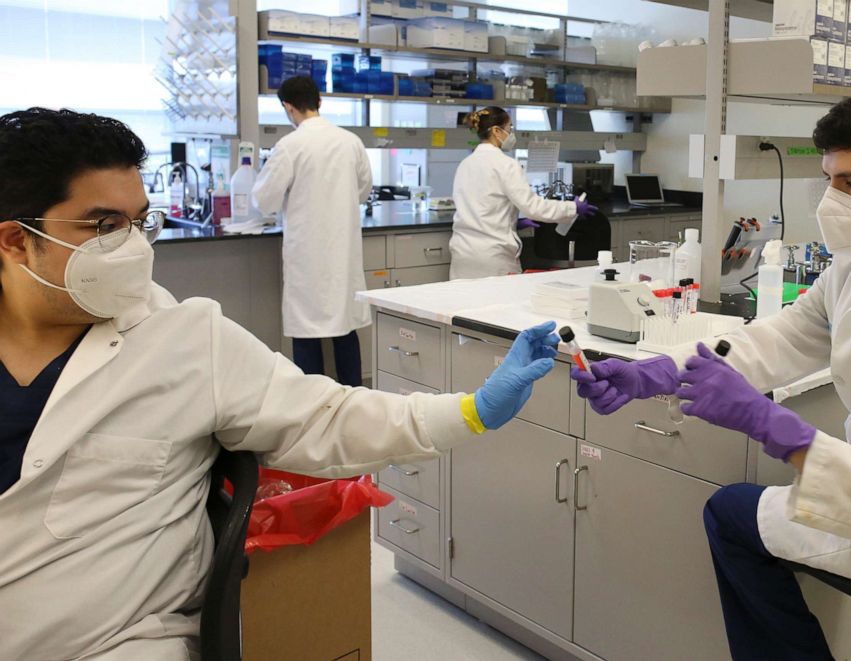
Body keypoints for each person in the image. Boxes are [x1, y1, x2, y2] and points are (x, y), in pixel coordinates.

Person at [0, 107, 559, 661]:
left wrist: (473, 409)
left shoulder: (186, 339)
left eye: (139, 221)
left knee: (331, 339)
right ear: (16, 241)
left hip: (112, 646)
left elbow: (327, 416)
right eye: (103, 227)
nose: (134, 247)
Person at [572, 87, 851, 660]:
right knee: (741, 508)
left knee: (730, 514)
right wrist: (661, 372)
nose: (831, 200)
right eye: (828, 179)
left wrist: (779, 430)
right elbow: (789, 334)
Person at [252, 75, 371, 386]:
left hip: (307, 256)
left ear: (288, 108)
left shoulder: (291, 145)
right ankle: (355, 402)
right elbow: (363, 189)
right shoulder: (350, 141)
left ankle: (313, 408)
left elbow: (263, 199)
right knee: (345, 329)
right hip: (342, 253)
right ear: (319, 102)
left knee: (306, 333)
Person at [449, 106, 599, 279]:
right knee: (499, 305)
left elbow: (478, 207)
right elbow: (533, 207)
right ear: (497, 131)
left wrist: (513, 222)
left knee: (465, 304)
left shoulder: (465, 164)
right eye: (510, 128)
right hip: (493, 256)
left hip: (463, 254)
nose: (512, 133)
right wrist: (573, 208)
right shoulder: (506, 164)